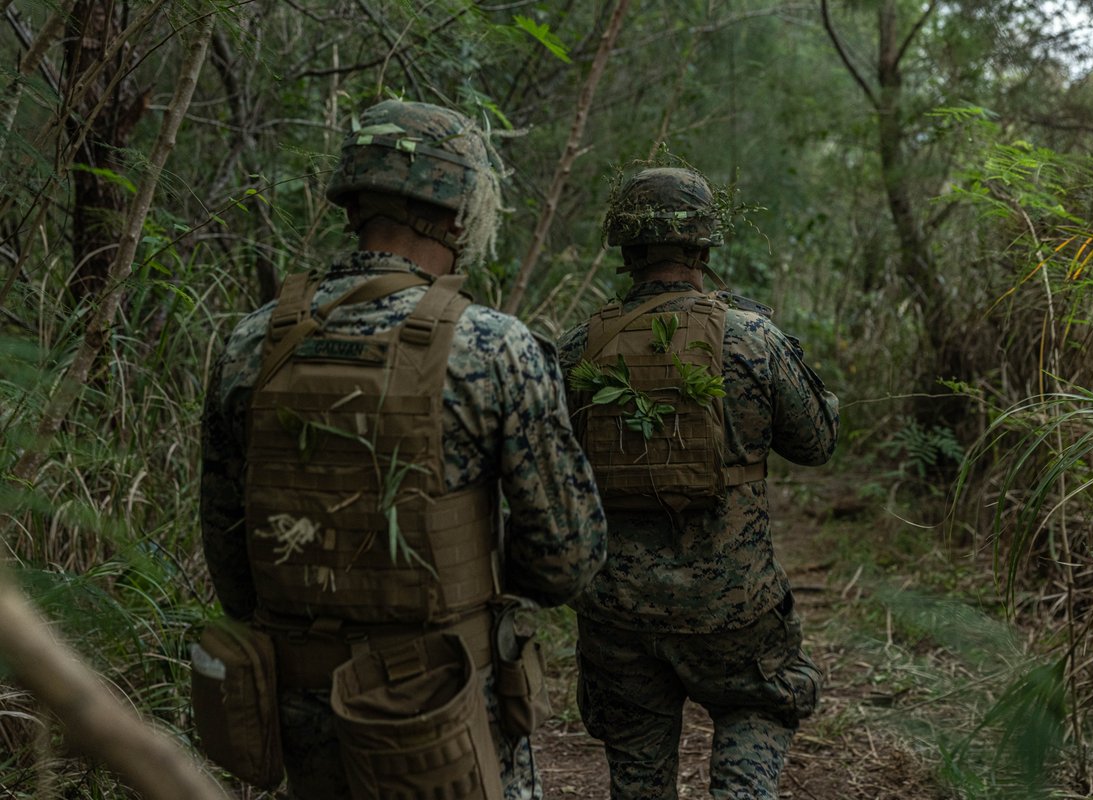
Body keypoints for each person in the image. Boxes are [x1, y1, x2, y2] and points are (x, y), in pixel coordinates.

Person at [200, 99, 607, 800]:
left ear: (354, 203)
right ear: (458, 217)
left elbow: (232, 563)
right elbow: (568, 558)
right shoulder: (493, 346)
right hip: (446, 714)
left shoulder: (252, 342)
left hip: (301, 713)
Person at [557, 166, 839, 799]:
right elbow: (817, 445)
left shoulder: (577, 349)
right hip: (734, 606)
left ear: (626, 249)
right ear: (703, 248)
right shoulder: (752, 339)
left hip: (617, 610)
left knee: (636, 768)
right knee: (758, 706)